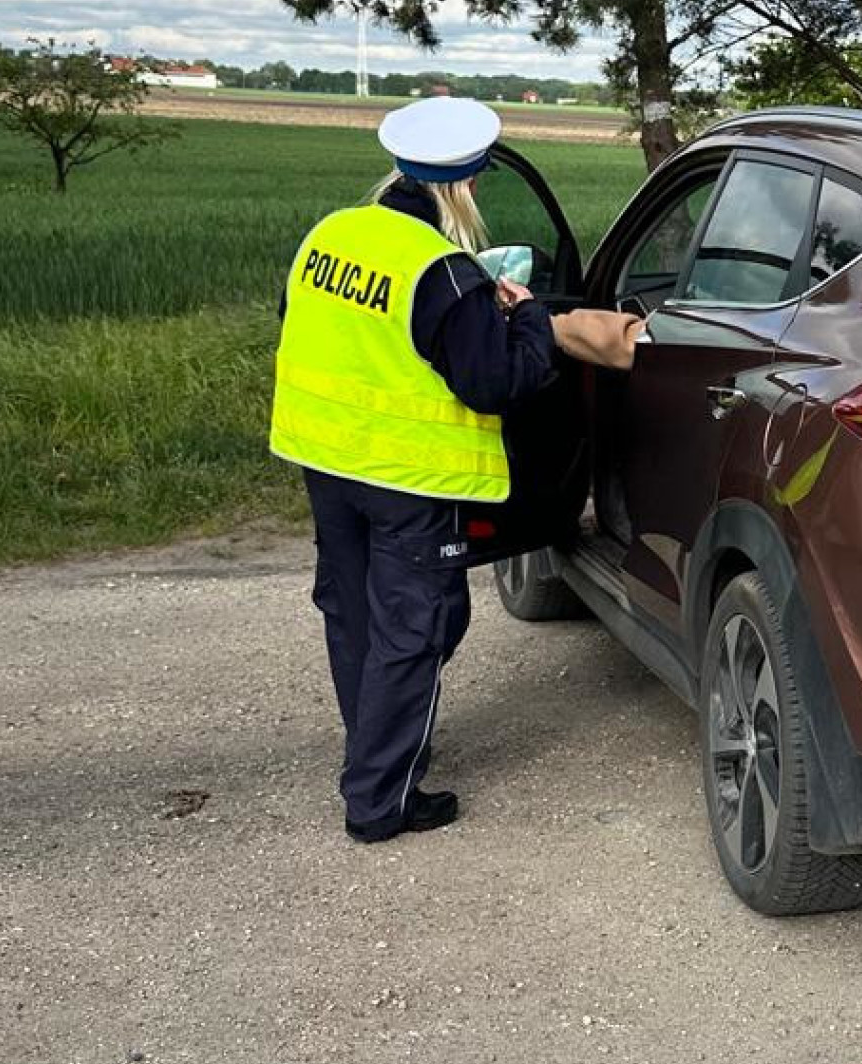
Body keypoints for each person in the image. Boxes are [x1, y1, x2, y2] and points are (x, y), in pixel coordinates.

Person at [270, 97, 558, 844]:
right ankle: (382, 799)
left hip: (327, 460)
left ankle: (374, 751)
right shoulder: (447, 271)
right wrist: (527, 317)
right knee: (418, 627)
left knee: (354, 613)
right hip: (407, 478)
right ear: (463, 187)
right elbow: (496, 383)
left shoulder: (331, 233)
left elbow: (307, 323)